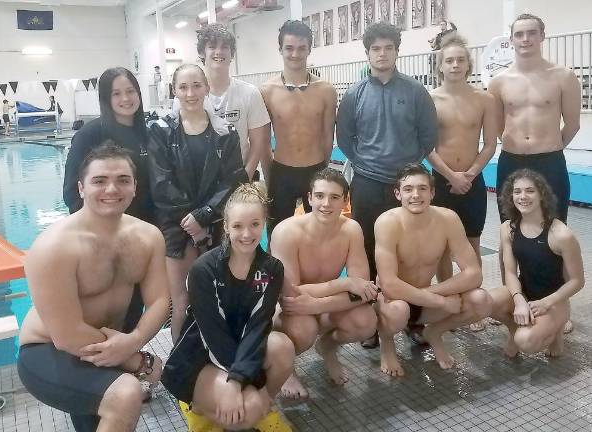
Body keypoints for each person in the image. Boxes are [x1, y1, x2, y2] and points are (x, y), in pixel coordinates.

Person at [18, 143, 170, 432]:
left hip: (109, 347)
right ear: (81, 188)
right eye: (99, 181)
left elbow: (161, 299)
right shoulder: (54, 247)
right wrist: (137, 359)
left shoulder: (149, 237)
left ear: (135, 187)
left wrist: (134, 339)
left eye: (122, 180)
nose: (112, 189)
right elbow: (66, 336)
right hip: (49, 351)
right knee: (126, 394)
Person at [161, 183, 294, 431]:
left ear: (264, 222)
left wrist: (247, 384)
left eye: (255, 224)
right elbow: (213, 334)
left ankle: (264, 405)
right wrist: (237, 381)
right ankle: (195, 406)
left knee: (282, 349)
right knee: (245, 410)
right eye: (238, 226)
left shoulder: (271, 269)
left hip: (241, 350)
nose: (247, 234)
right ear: (226, 226)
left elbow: (258, 325)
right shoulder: (204, 269)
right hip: (199, 355)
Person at [488, 13, 580, 333]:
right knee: (507, 234)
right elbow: (498, 127)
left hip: (550, 162)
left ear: (543, 36)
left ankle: (558, 307)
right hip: (512, 161)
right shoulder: (499, 82)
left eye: (531, 33)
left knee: (555, 234)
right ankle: (513, 302)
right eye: (519, 34)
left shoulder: (564, 76)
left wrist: (550, 149)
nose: (525, 39)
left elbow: (572, 124)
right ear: (511, 40)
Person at [148, 64, 247, 342]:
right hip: (176, 227)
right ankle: (179, 367)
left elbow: (233, 182)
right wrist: (192, 223)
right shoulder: (161, 130)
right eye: (183, 87)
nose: (190, 93)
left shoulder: (226, 132)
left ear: (206, 87)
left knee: (218, 298)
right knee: (181, 303)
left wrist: (204, 217)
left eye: (196, 85)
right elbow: (161, 183)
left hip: (214, 224)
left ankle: (217, 357)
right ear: (174, 90)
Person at [337, 22, 438, 286]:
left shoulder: (416, 92)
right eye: (376, 48)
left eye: (388, 48)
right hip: (367, 182)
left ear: (397, 52)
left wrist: (409, 166)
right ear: (367, 54)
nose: (382, 54)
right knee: (366, 244)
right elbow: (344, 137)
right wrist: (362, 162)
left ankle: (412, 313)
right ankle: (368, 306)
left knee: (407, 246)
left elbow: (428, 136)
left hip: (405, 184)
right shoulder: (353, 94)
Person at [271, 168, 378, 399]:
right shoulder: (286, 232)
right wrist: (344, 283)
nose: (326, 204)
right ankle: (286, 369)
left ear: (345, 201)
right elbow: (290, 294)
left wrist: (317, 306)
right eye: (319, 196)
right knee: (303, 329)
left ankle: (328, 349)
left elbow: (363, 291)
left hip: (317, 306)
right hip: (291, 309)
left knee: (365, 321)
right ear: (309, 198)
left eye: (334, 197)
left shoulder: (351, 230)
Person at [374, 163, 491, 375]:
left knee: (480, 301)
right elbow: (389, 285)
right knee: (398, 310)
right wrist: (441, 301)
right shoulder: (387, 223)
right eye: (408, 189)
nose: (415, 195)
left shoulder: (448, 219)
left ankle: (434, 333)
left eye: (422, 188)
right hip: (394, 302)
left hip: (422, 298)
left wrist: (426, 295)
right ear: (397, 193)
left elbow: (474, 274)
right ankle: (387, 345)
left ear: (433, 192)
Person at [63, 67, 155, 334]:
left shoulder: (148, 133)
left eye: (130, 91)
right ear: (106, 98)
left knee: (133, 307)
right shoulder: (90, 135)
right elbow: (71, 191)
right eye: (117, 93)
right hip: (100, 238)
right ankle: (97, 369)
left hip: (139, 237)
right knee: (99, 309)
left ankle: (123, 360)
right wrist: (92, 233)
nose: (126, 98)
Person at [427, 34, 497, 320]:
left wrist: (468, 174)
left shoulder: (484, 99)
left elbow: (490, 143)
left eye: (460, 60)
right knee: (442, 246)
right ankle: (447, 303)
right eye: (449, 60)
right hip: (441, 179)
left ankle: (472, 305)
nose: (455, 65)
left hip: (472, 180)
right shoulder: (429, 99)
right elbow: (427, 147)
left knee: (472, 244)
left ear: (469, 64)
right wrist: (449, 175)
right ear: (440, 66)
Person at [488, 169, 584, 358]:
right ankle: (516, 328)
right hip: (525, 291)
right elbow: (510, 273)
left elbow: (577, 281)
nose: (523, 196)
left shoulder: (561, 234)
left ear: (542, 195)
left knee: (526, 342)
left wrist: (547, 302)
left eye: (530, 191)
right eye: (517, 191)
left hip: (554, 300)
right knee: (483, 303)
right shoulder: (508, 228)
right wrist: (519, 300)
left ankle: (555, 330)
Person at [260, 20, 337, 239]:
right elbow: (264, 142)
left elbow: (327, 136)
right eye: (289, 48)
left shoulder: (326, 90)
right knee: (277, 236)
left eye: (302, 48)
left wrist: (323, 172)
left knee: (319, 234)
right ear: (280, 50)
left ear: (310, 49)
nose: (295, 54)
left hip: (315, 171)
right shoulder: (267, 91)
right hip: (281, 172)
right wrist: (270, 177)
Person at [196, 23, 271, 181]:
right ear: (202, 52)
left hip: (238, 176)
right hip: (200, 181)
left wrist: (245, 176)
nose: (219, 51)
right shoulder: (190, 96)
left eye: (225, 47)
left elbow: (258, 143)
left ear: (232, 54)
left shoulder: (249, 93)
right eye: (212, 46)